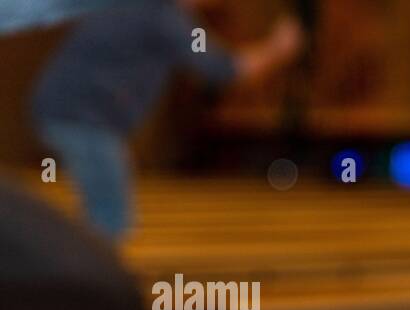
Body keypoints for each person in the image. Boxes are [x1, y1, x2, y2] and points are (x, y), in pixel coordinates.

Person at [28, 0, 304, 239]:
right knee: (111, 219)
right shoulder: (164, 16)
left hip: (67, 113)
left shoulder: (151, 10)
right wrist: (276, 49)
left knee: (103, 210)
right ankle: (80, 288)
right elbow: (223, 70)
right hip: (80, 118)